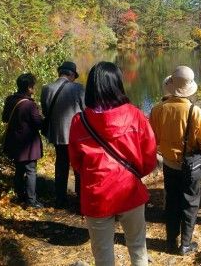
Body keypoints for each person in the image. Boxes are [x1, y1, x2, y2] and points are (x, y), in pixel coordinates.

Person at [68, 62, 157, 266]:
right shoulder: (135, 115)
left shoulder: (79, 121)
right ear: (117, 84)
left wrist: (94, 175)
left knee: (103, 256)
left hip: (96, 195)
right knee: (138, 248)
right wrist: (134, 174)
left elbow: (76, 163)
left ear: (91, 86)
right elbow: (150, 156)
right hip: (130, 191)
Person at [149, 66, 201, 256]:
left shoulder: (157, 109)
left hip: (169, 164)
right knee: (190, 203)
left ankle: (171, 242)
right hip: (191, 167)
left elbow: (152, 139)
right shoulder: (195, 112)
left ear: (171, 86)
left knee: (171, 202)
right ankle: (185, 244)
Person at [41, 61, 85, 209]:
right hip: (76, 135)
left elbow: (46, 112)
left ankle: (60, 199)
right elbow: (85, 111)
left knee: (61, 164)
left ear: (60, 72)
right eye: (74, 76)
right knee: (78, 166)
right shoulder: (78, 88)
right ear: (71, 74)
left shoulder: (46, 88)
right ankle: (81, 199)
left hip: (57, 134)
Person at [2, 73, 44, 208]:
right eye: (33, 86)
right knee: (31, 170)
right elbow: (38, 124)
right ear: (28, 88)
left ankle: (20, 196)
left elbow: (4, 118)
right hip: (28, 144)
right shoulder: (29, 105)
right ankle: (31, 201)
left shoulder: (10, 100)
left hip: (14, 142)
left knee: (19, 169)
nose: (34, 89)